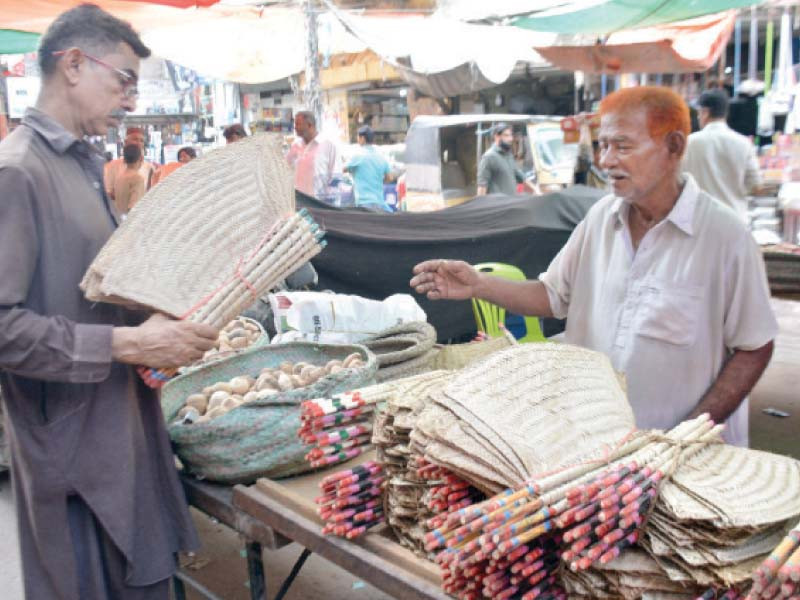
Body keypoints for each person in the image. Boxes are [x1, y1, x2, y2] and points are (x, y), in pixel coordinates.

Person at [411, 86, 776, 448]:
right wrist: (478, 285)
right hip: (596, 447)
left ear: (674, 147)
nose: (606, 161)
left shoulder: (725, 237)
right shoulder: (601, 219)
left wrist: (689, 433)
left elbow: (755, 346)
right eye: (603, 145)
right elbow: (552, 296)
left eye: (623, 146)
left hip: (680, 456)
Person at [0, 6, 219, 599]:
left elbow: (87, 292)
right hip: (70, 452)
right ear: (73, 64)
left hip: (120, 429)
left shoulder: (80, 165)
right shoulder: (17, 172)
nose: (128, 99)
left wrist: (156, 320)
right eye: (122, 79)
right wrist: (128, 342)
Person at [683, 89, 762, 222]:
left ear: (705, 113)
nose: (698, 117)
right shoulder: (744, 143)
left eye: (699, 113)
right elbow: (755, 185)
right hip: (735, 221)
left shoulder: (689, 143)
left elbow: (677, 183)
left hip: (700, 222)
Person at [285, 110, 340, 199]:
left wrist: (330, 199)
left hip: (320, 203)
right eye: (295, 124)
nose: (295, 127)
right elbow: (284, 166)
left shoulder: (328, 145)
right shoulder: (296, 145)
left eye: (298, 124)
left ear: (309, 125)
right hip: (300, 202)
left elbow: (336, 176)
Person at [476, 123, 534, 196]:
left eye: (511, 135)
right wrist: (481, 205)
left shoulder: (508, 155)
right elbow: (482, 186)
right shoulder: (489, 157)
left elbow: (519, 175)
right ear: (497, 137)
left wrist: (535, 189)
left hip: (511, 202)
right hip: (499, 205)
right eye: (506, 135)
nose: (511, 139)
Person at [344, 125, 392, 212]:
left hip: (364, 205)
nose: (357, 140)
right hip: (380, 204)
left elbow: (342, 169)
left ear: (362, 138)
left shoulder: (358, 155)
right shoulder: (381, 157)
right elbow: (389, 178)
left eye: (358, 137)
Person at [103, 125, 156, 199]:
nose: (138, 143)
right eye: (135, 139)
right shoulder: (112, 166)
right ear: (126, 142)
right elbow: (106, 193)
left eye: (141, 141)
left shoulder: (149, 168)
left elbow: (152, 194)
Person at [113, 142, 145, 215]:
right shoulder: (137, 179)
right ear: (141, 158)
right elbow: (134, 207)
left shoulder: (119, 177)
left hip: (119, 220)